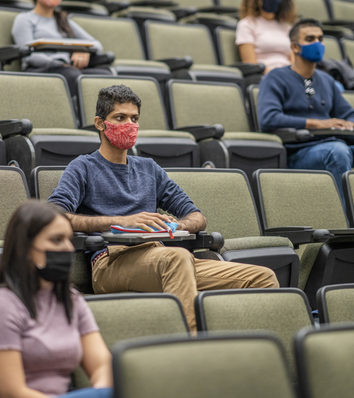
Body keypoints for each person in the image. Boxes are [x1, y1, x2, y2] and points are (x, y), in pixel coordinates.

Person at [48, 85, 280, 332]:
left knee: (263, 278)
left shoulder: (149, 168)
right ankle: (190, 355)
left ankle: (252, 355)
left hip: (161, 256)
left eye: (134, 118)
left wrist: (178, 225)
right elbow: (54, 215)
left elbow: (197, 216)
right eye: (120, 117)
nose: (129, 124)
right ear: (99, 123)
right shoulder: (83, 167)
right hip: (111, 262)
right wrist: (120, 221)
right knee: (178, 257)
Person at [0, 200, 113, 398]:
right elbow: (11, 392)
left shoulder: (71, 299)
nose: (68, 248)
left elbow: (102, 365)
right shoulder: (0, 304)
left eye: (69, 239)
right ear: (25, 248)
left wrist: (101, 392)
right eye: (56, 240)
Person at [257, 18, 354, 193]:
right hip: (299, 152)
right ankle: (348, 217)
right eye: (310, 39)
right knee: (337, 151)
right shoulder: (275, 77)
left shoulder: (326, 80)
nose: (317, 43)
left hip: (337, 147)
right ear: (294, 47)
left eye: (320, 39)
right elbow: (268, 118)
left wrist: (349, 124)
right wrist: (317, 123)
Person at [11, 0, 113, 98]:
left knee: (105, 75)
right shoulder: (24, 19)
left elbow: (97, 45)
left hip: (68, 68)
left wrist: (84, 51)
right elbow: (28, 55)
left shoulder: (63, 20)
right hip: (41, 69)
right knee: (72, 74)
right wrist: (59, 64)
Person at [236, 0, 297, 74]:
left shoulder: (287, 28)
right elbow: (252, 66)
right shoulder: (247, 25)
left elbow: (295, 63)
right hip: (265, 77)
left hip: (288, 77)